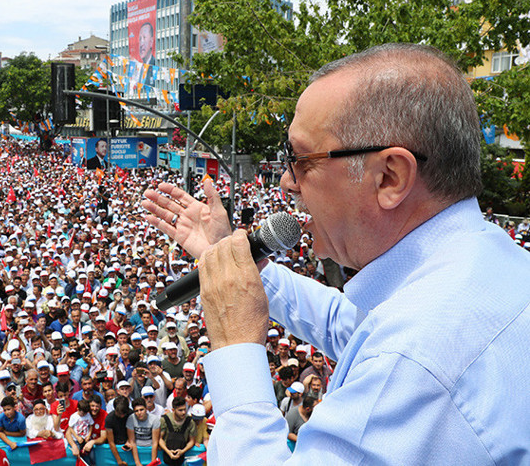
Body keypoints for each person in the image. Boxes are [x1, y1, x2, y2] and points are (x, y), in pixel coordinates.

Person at [142, 43, 530, 463]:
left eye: (301, 159)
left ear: (389, 177)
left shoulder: (414, 360)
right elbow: (347, 325)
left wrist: (236, 347)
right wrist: (232, 259)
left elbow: (393, 350)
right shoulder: (484, 264)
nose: (287, 182)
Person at [158, 396, 195, 466]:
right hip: (166, 457)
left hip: (182, 458)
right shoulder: (164, 420)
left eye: (185, 409)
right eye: (180, 410)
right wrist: (168, 451)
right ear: (173, 410)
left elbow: (192, 441)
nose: (184, 412)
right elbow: (160, 439)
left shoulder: (190, 421)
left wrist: (182, 451)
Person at [126, 397, 160, 466]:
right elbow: (132, 441)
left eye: (141, 410)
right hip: (137, 447)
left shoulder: (155, 419)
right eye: (136, 411)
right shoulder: (131, 418)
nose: (139, 413)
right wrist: (137, 463)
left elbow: (155, 442)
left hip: (149, 446)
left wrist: (153, 463)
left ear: (146, 409)